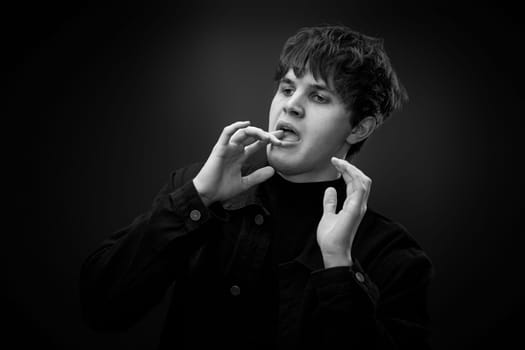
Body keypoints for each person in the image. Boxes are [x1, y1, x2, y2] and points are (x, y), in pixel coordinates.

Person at [80, 24, 434, 349]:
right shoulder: (201, 188)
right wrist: (197, 198)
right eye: (287, 88)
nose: (291, 106)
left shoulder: (391, 253)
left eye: (319, 97)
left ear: (359, 128)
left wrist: (339, 268)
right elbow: (101, 306)